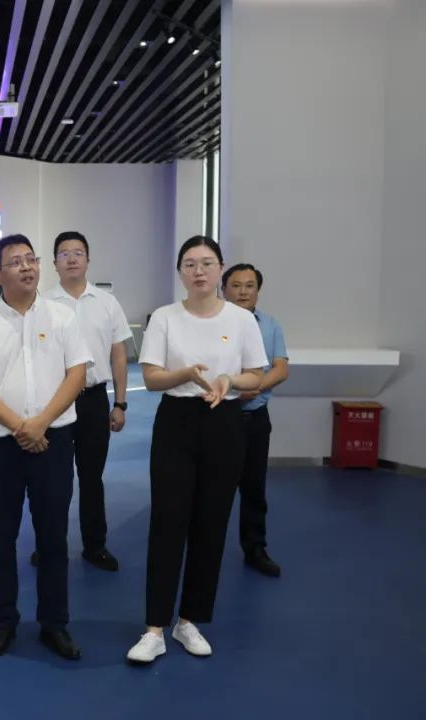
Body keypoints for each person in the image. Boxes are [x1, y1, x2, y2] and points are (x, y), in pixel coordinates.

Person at [127, 236, 267, 665]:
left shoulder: (241, 320)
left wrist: (229, 381)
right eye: (190, 263)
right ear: (180, 272)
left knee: (211, 522)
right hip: (176, 421)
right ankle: (154, 628)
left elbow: (256, 375)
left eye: (207, 262)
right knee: (167, 522)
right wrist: (184, 374)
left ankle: (189, 620)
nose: (199, 270)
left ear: (220, 268)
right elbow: (152, 378)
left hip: (224, 421)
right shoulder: (165, 318)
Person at [0, 234, 92, 660]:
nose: (27, 267)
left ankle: (55, 624)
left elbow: (77, 374)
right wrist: (21, 427)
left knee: (53, 537)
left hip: (54, 441)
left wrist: (41, 423)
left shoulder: (63, 317)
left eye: (31, 259)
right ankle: (3, 623)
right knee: (1, 538)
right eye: (16, 262)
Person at [34, 231, 132, 572]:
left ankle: (95, 546)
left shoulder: (107, 303)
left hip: (93, 401)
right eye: (64, 253)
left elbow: (118, 355)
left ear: (88, 259)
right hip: (57, 401)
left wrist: (120, 403)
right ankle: (49, 546)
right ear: (54, 263)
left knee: (92, 477)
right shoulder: (43, 303)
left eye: (78, 252)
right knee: (53, 479)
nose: (72, 258)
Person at [222, 263, 289, 577]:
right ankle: (204, 549)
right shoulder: (212, 322)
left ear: (258, 291)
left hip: (255, 419)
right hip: (219, 416)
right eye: (236, 285)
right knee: (213, 488)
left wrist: (254, 386)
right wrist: (234, 390)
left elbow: (280, 368)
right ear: (224, 289)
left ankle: (255, 548)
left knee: (253, 488)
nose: (243, 292)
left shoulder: (270, 325)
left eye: (249, 286)